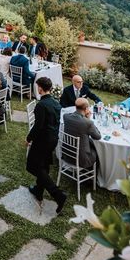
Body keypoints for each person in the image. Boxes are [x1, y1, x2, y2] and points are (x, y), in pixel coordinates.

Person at [27, 77, 67, 213]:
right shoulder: (56, 103)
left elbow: (38, 126)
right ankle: (38, 190)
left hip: (42, 140)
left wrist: (29, 138)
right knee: (43, 165)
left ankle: (58, 195)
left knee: (33, 166)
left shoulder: (41, 105)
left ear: (40, 88)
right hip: (53, 139)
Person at [63, 98, 101, 169]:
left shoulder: (66, 116)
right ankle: (93, 178)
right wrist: (88, 119)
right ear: (86, 109)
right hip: (82, 160)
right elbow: (98, 137)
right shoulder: (88, 123)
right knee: (99, 152)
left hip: (67, 155)